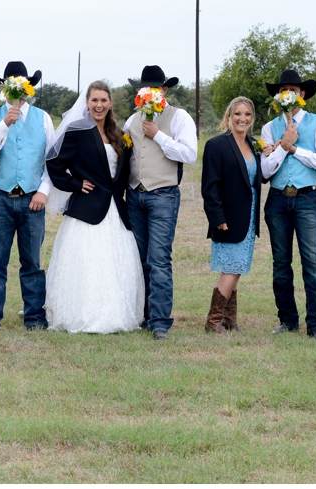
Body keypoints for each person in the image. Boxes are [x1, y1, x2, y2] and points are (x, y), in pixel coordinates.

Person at [44, 81, 145, 333]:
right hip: (86, 210)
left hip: (115, 210)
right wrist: (75, 184)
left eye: (103, 100)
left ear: (110, 103)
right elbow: (54, 162)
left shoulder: (118, 134)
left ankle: (116, 314)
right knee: (87, 263)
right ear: (87, 103)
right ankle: (83, 316)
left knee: (114, 264)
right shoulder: (77, 131)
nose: (99, 105)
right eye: (94, 101)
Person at [0, 61, 56, 333]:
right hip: (0, 197)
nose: (17, 94)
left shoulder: (43, 117)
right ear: (4, 90)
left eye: (22, 88)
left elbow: (51, 160)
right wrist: (5, 124)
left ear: (28, 90)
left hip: (32, 198)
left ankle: (34, 317)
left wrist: (44, 191)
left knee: (32, 262)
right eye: (12, 88)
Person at [121, 64, 199, 339]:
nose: (150, 92)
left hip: (163, 195)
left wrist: (159, 135)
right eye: (145, 88)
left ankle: (160, 322)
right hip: (135, 195)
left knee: (159, 259)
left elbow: (189, 155)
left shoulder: (179, 117)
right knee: (138, 258)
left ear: (164, 90)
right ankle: (142, 314)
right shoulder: (131, 120)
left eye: (155, 88)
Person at [259, 67, 316, 338]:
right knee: (280, 263)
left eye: (293, 90)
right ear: (278, 96)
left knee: (312, 264)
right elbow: (266, 172)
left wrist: (294, 148)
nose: (288, 94)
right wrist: (281, 146)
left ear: (302, 94)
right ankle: (288, 320)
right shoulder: (269, 127)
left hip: (307, 198)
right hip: (278, 200)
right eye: (283, 90)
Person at [200, 96, 265, 332]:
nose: (242, 118)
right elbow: (209, 187)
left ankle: (229, 319)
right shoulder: (216, 145)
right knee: (232, 267)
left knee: (237, 267)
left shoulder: (254, 144)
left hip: (248, 217)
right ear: (228, 116)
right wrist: (217, 218)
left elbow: (260, 177)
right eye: (237, 113)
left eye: (247, 114)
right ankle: (213, 321)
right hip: (227, 218)